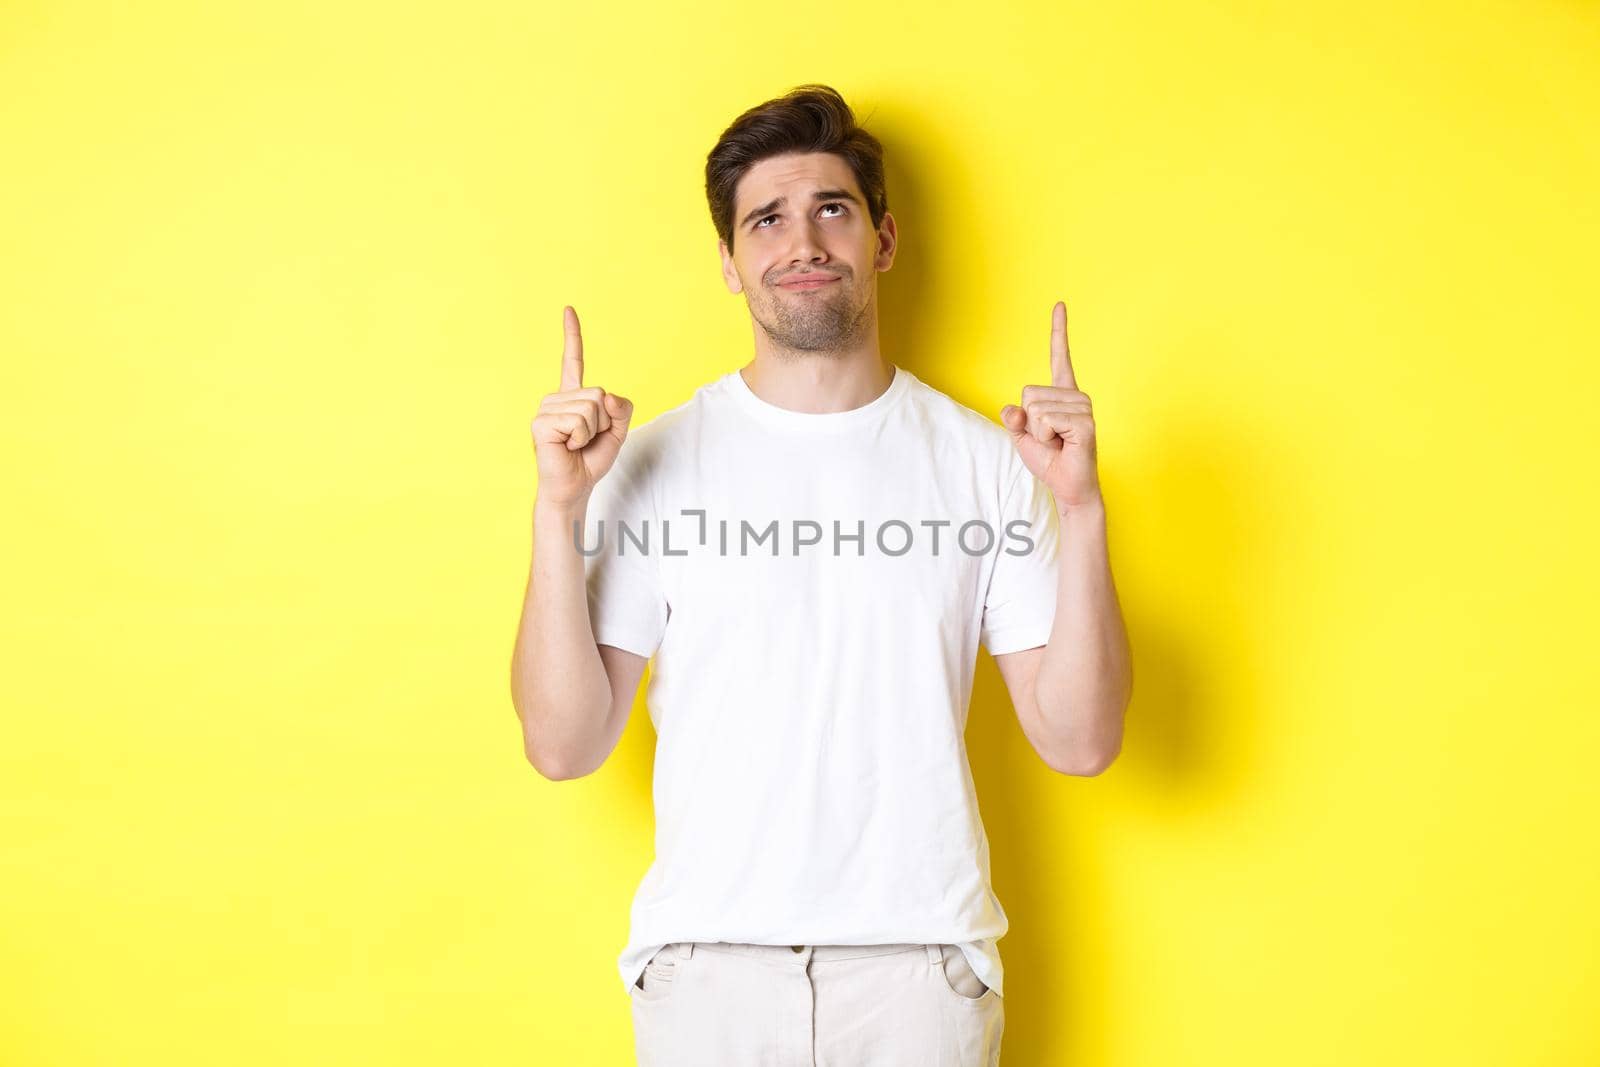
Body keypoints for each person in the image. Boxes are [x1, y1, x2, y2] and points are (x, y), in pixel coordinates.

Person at [510, 83, 1132, 1066]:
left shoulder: (986, 462)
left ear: (881, 240)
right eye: (766, 219)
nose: (801, 242)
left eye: (830, 209)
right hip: (707, 972)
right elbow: (563, 742)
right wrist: (558, 511)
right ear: (729, 261)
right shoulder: (648, 462)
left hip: (918, 973)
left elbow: (1081, 739)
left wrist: (1081, 509)